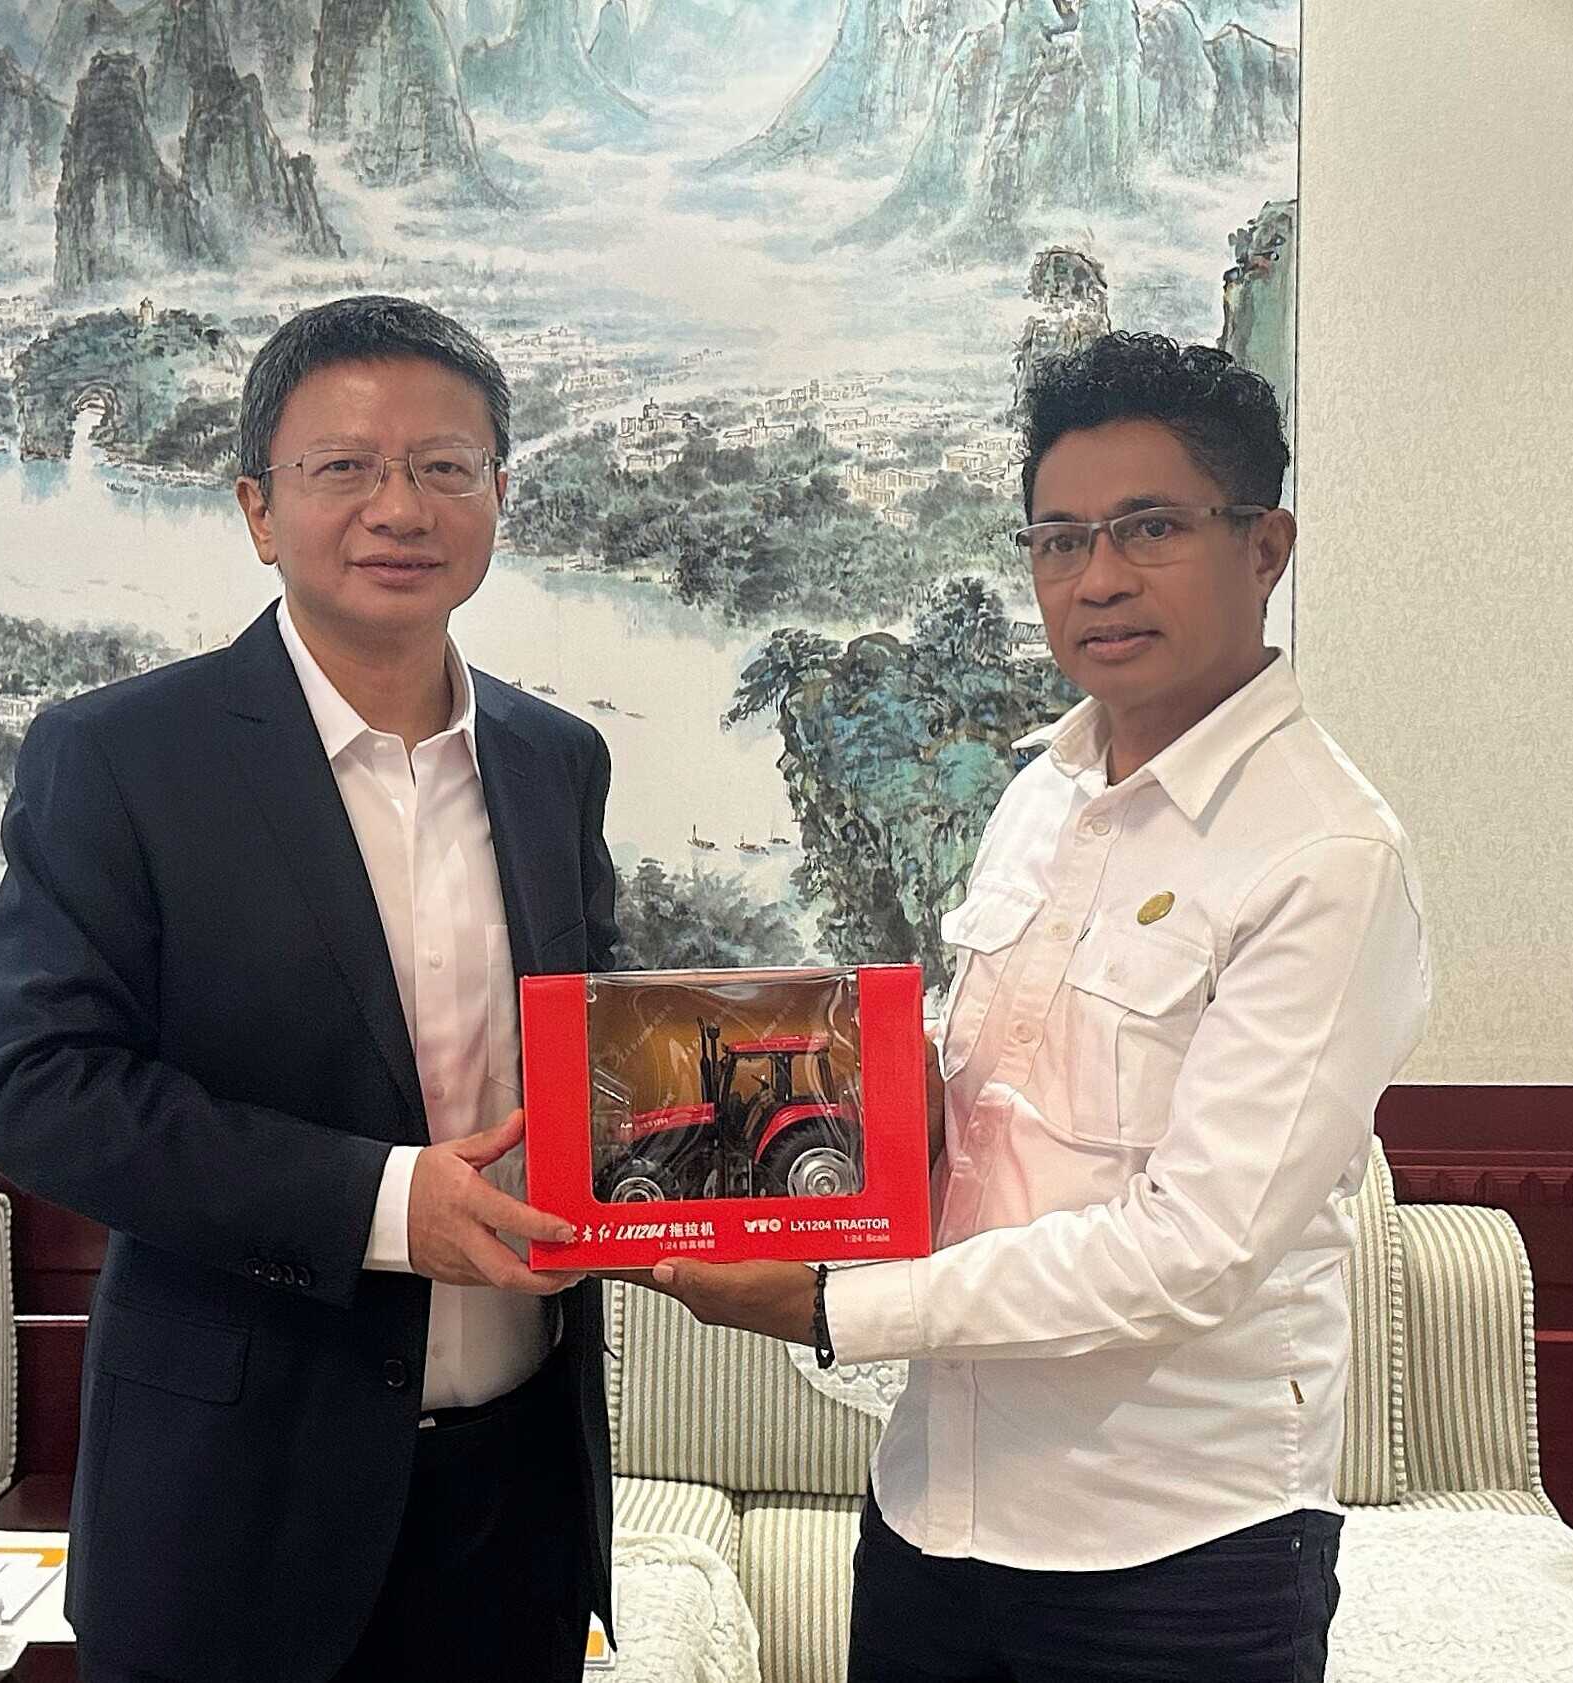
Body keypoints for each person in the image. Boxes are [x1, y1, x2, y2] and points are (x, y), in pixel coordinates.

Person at [641, 336, 1430, 1682]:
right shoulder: (1040, 794)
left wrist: (831, 1306)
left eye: (1150, 528)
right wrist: (739, 1137)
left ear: (1266, 546)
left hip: (1174, 1556)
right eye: (1059, 541)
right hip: (932, 1509)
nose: (1098, 577)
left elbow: (1194, 1250)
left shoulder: (1328, 858)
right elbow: (973, 1110)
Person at [0, 296, 618, 1683]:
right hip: (233, 1512)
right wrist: (382, 1205)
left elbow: (602, 1052)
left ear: (499, 498)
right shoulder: (121, 759)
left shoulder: (556, 762)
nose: (401, 506)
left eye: (444, 466)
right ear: (259, 508)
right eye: (344, 467)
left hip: (517, 1504)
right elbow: (40, 1092)